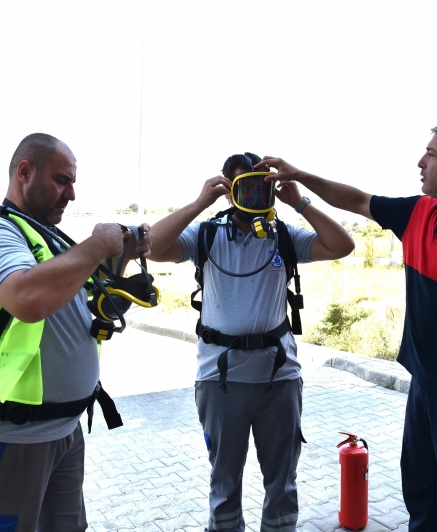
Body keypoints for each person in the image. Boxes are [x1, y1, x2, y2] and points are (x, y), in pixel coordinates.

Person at [259, 116, 437, 531]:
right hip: (424, 387)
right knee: (422, 502)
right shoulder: (419, 212)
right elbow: (357, 200)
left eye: (432, 154)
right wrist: (300, 180)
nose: (420, 162)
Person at [0, 133, 151, 532]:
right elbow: (28, 298)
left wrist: (122, 253)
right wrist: (95, 246)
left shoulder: (45, 237)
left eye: (73, 182)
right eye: (61, 180)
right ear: (24, 172)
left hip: (62, 431)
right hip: (9, 437)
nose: (71, 194)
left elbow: (80, 305)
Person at [148, 152, 354, 532]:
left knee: (282, 482)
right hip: (220, 380)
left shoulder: (285, 236)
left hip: (279, 379)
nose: (259, 195)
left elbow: (342, 245)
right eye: (248, 186)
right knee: (224, 482)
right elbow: (154, 248)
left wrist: (301, 201)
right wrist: (199, 204)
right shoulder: (207, 234)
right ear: (230, 191)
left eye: (265, 185)